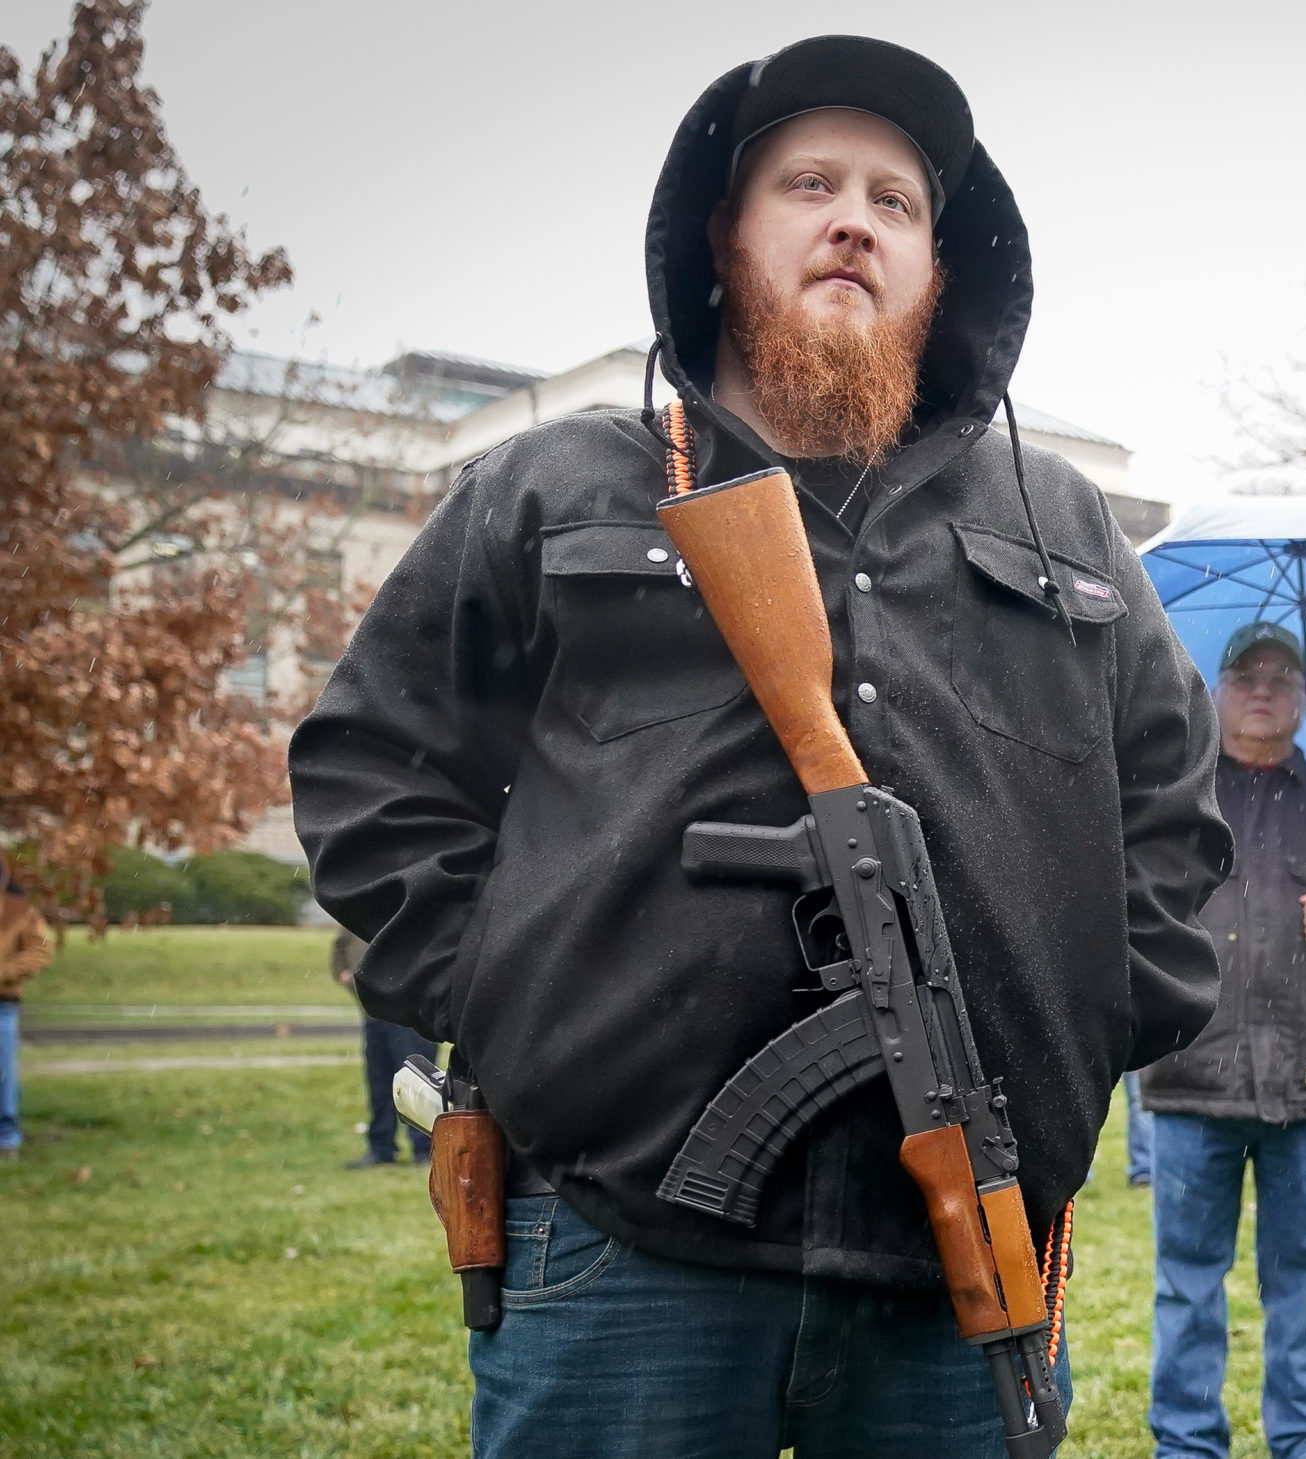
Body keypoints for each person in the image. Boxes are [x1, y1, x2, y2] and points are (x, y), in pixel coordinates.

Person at [289, 36, 1231, 1459]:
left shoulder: (1061, 521)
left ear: (940, 267)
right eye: (809, 185)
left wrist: (1084, 1038)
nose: (855, 221)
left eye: (895, 202)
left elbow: (1172, 815)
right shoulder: (557, 485)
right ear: (724, 236)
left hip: (960, 1243)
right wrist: (513, 999)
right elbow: (374, 766)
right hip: (618, 1237)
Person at [1140, 623, 1306, 1459]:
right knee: (1186, 1285)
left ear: (1303, 697)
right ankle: (1186, 1444)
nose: (1263, 687)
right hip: (1191, 1075)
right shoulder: (1176, 803)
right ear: (1217, 691)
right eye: (1246, 674)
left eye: (1281, 674)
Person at [332, 927, 435, 1167]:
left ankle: (426, 1149)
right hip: (374, 1014)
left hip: (411, 1015)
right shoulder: (358, 915)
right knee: (379, 1082)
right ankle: (381, 1148)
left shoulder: (411, 912)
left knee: (418, 1083)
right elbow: (340, 947)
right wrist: (343, 973)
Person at [0, 878, 55, 1162]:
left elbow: (40, 950)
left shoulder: (19, 909)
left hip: (2, 1004)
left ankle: (6, 1140)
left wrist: (3, 973)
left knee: (3, 1076)